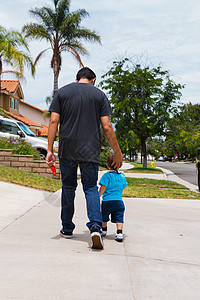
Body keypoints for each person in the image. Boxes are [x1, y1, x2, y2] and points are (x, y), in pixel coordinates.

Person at [46, 67, 123, 249]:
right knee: (89, 187)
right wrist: (117, 152)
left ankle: (66, 228)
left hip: (67, 148)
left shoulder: (62, 93)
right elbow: (107, 126)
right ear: (93, 80)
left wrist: (49, 149)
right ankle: (96, 227)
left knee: (68, 187)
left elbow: (53, 122)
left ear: (77, 78)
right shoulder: (99, 95)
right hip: (90, 149)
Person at [99, 154, 128, 242]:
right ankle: (119, 233)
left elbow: (103, 188)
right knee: (119, 217)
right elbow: (123, 186)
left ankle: (103, 230)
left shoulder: (106, 176)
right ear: (119, 165)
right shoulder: (122, 176)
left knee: (104, 216)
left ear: (107, 165)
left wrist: (97, 196)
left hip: (107, 202)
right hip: (119, 201)